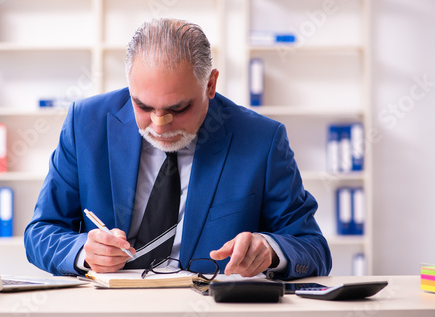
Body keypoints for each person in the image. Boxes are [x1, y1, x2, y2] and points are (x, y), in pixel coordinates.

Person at [24, 18, 332, 279]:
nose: (159, 126)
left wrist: (269, 249)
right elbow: (40, 232)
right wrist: (82, 251)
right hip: (107, 313)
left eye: (178, 108)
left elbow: (313, 247)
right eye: (143, 106)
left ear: (210, 85)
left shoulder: (262, 139)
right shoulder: (85, 124)